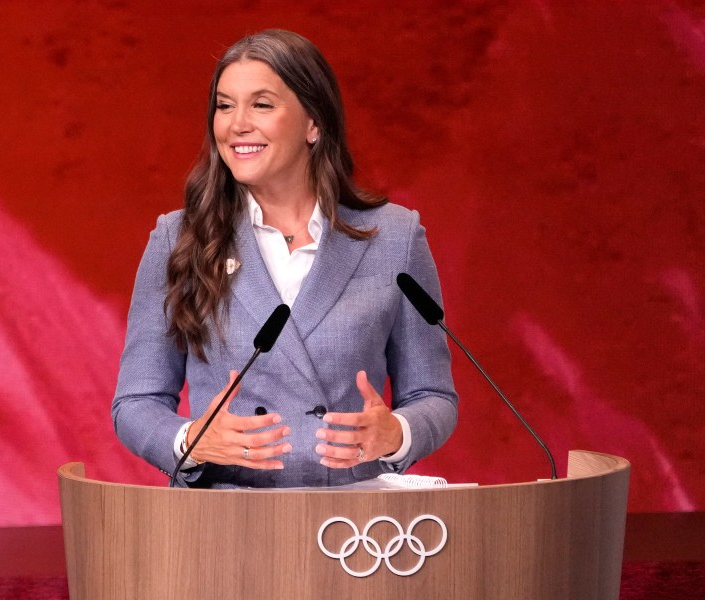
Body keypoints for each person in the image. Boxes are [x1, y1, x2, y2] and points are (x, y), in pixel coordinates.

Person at [112, 29, 457, 488]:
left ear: (313, 123)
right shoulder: (180, 238)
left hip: (350, 528)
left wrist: (398, 433)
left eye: (261, 104)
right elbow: (135, 403)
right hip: (222, 525)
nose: (236, 124)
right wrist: (190, 439)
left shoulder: (394, 238)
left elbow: (433, 395)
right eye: (224, 105)